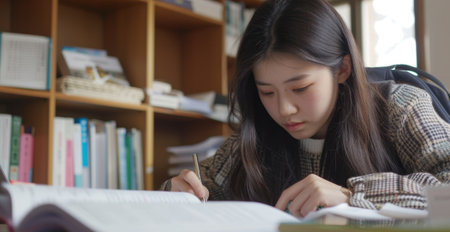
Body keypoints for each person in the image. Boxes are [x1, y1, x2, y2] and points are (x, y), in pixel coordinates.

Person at [161, 0, 450, 218]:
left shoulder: (401, 107)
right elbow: (203, 187)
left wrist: (353, 196)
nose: (284, 109)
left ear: (343, 69)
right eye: (267, 91)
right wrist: (177, 193)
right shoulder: (258, 133)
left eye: (300, 88)